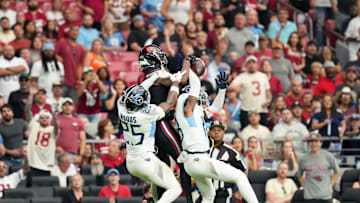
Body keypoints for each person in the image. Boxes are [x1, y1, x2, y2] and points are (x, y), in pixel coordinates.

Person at [175, 69, 258, 203]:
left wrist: (222, 90)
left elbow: (215, 109)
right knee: (240, 177)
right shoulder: (189, 111)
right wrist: (190, 69)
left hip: (191, 162)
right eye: (197, 99)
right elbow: (203, 101)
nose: (202, 102)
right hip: (199, 159)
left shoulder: (188, 113)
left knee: (208, 196)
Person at [119, 67, 184, 202]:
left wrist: (153, 77)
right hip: (145, 161)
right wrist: (176, 83)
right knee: (175, 188)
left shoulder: (121, 106)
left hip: (131, 162)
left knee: (159, 180)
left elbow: (139, 90)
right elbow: (170, 103)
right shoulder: (147, 114)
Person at [209, 120, 247, 203]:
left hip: (222, 193)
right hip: (205, 191)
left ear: (223, 133)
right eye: (213, 130)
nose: (216, 133)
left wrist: (240, 191)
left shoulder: (231, 152)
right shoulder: (203, 150)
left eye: (219, 130)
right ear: (209, 133)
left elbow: (243, 171)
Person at [230, 55, 272, 129]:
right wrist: (238, 89)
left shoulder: (263, 76)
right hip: (247, 109)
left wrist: (268, 100)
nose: (251, 64)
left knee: (263, 131)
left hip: (261, 109)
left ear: (257, 65)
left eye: (253, 62)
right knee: (246, 132)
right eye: (249, 62)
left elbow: (268, 92)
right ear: (246, 65)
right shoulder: (242, 76)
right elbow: (231, 86)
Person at [297, 133, 340, 203]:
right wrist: (305, 187)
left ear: (321, 143)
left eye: (316, 141)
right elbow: (299, 175)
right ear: (309, 143)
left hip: (326, 196)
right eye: (311, 141)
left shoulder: (328, 156)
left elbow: (337, 172)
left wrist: (330, 185)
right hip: (310, 197)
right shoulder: (303, 159)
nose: (314, 144)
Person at [26, 109, 58, 186]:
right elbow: (27, 111)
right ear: (38, 119)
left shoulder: (52, 129)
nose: (44, 119)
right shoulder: (34, 126)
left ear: (50, 119)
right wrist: (30, 98)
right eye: (42, 117)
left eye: (47, 117)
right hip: (33, 164)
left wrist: (55, 119)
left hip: (47, 165)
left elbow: (56, 130)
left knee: (45, 190)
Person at [55, 25, 86, 102]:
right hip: (61, 82)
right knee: (58, 103)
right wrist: (56, 57)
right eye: (73, 30)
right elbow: (53, 54)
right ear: (69, 32)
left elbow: (80, 65)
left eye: (76, 31)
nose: (75, 32)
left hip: (74, 84)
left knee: (73, 106)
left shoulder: (80, 48)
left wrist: (79, 79)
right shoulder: (61, 43)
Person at [56, 98, 86, 164]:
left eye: (69, 105)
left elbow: (83, 139)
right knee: (57, 174)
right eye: (65, 105)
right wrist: (55, 147)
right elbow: (50, 136)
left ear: (73, 107)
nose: (67, 107)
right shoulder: (56, 120)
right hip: (58, 153)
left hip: (73, 154)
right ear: (61, 107)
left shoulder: (78, 121)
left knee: (72, 173)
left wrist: (81, 155)